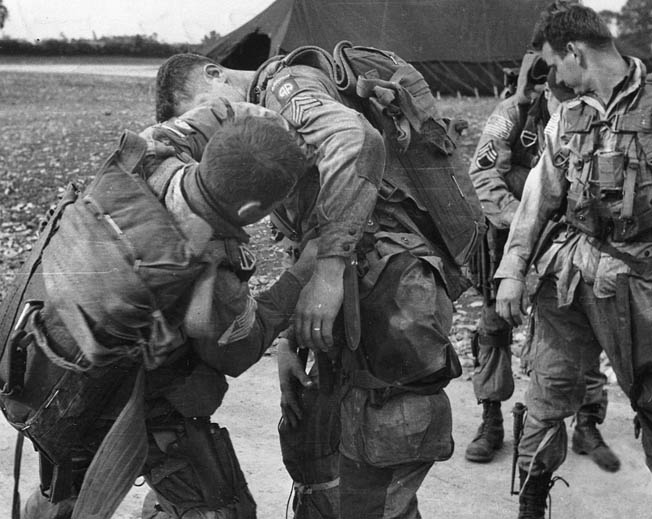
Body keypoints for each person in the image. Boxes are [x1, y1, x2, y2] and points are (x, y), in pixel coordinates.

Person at [151, 47, 478, 519]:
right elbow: (304, 225)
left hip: (391, 290)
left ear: (214, 74)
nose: (213, 127)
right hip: (356, 290)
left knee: (379, 460)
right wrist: (289, 339)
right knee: (331, 453)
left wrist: (327, 272)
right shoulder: (268, 124)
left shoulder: (288, 89)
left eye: (202, 109)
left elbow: (356, 138)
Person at [21, 112, 315, 519]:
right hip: (121, 403)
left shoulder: (150, 157)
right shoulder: (217, 274)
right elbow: (237, 352)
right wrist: (302, 276)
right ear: (250, 209)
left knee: (62, 496)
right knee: (221, 510)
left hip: (44, 362)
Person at [495, 2, 652, 517]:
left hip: (639, 279)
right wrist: (512, 272)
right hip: (570, 272)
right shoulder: (567, 116)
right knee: (547, 392)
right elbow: (539, 198)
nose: (553, 77)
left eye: (553, 64)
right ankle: (532, 502)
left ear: (575, 52)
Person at [466, 51, 619, 471]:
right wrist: (524, 223)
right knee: (494, 327)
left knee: (582, 326)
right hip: (510, 238)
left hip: (570, 247)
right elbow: (481, 173)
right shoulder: (508, 116)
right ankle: (491, 419)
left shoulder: (595, 115)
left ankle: (587, 418)